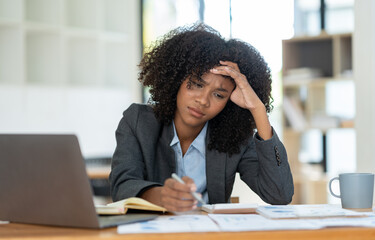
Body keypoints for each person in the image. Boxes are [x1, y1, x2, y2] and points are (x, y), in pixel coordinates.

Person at [109, 23, 294, 212]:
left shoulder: (235, 138)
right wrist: (161, 196)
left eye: (219, 95)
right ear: (177, 78)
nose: (203, 101)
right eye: (197, 84)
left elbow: (280, 194)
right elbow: (121, 186)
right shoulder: (138, 122)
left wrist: (258, 110)